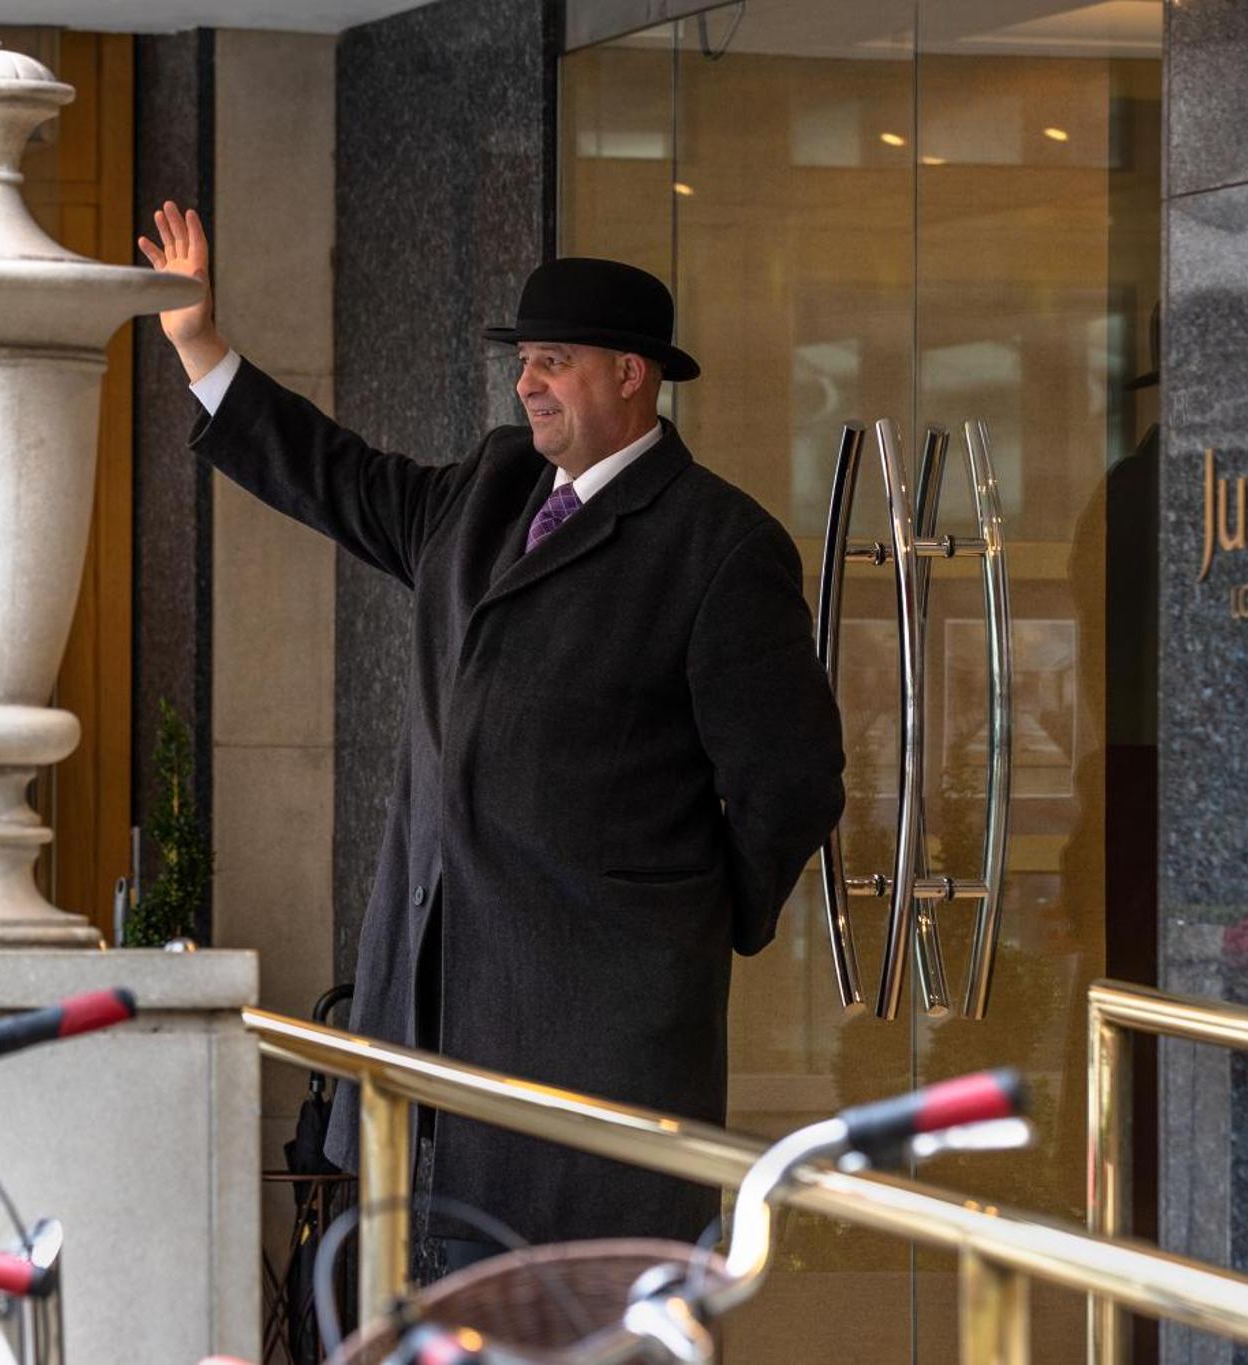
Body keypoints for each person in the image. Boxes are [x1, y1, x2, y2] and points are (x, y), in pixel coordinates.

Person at [139, 202, 845, 1265]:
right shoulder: (487, 490)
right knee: (426, 1297)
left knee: (571, 1307)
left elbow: (788, 782)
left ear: (629, 374)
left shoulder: (716, 546)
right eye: (523, 360)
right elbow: (332, 475)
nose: (526, 384)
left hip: (592, 1031)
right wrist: (199, 340)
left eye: (552, 362)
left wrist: (679, 921)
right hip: (423, 1017)